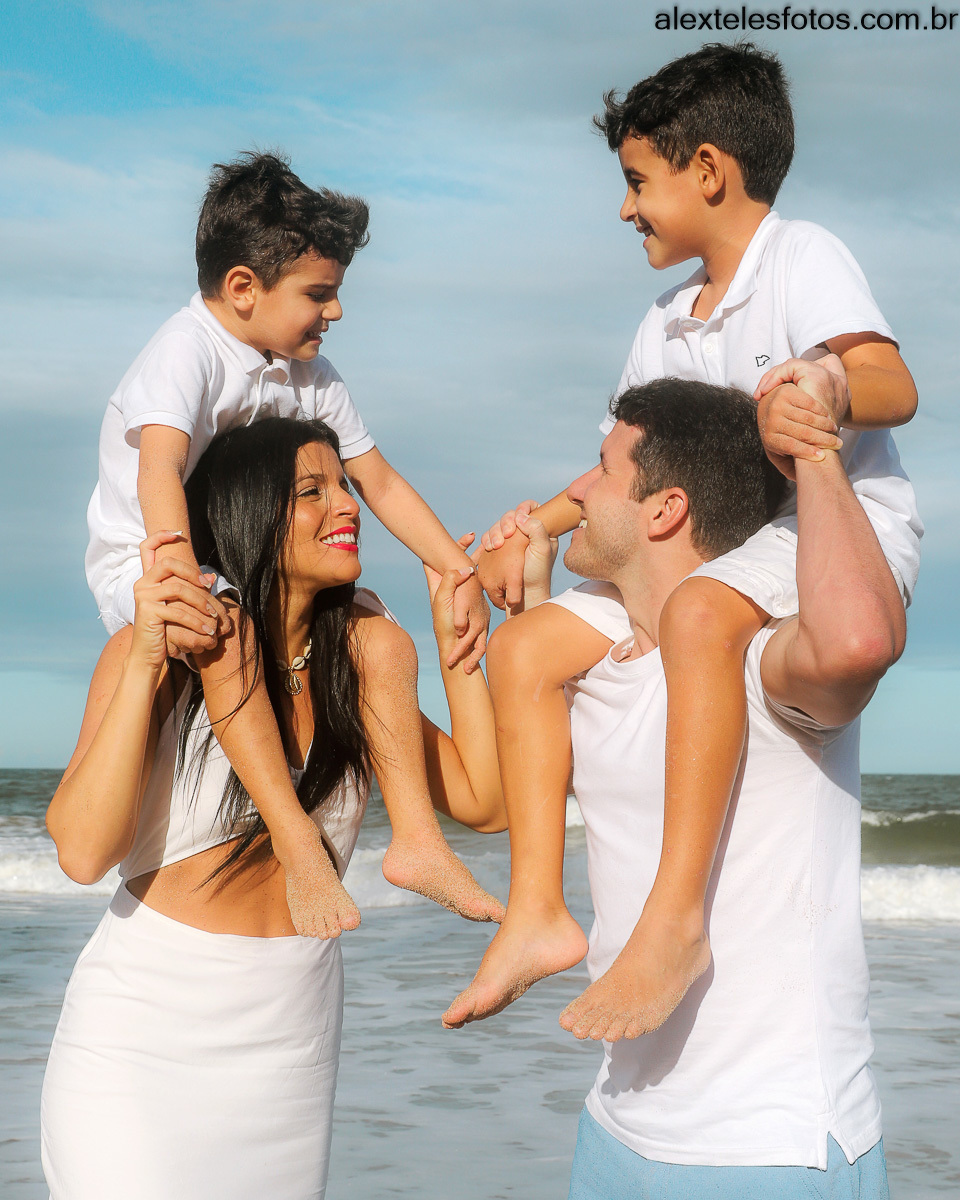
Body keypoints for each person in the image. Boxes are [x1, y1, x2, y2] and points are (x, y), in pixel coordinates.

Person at [450, 41, 921, 1030]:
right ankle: (537, 911)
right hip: (710, 545)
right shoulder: (663, 321)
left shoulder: (799, 257)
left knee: (700, 616)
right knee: (527, 650)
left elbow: (894, 382)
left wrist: (827, 384)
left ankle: (675, 921)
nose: (626, 209)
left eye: (637, 182)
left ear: (708, 170)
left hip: (821, 534)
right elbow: (621, 473)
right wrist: (531, 526)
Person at [42, 418, 506, 1200]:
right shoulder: (166, 656)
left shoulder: (362, 664)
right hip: (143, 1032)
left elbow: (484, 804)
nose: (347, 506)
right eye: (311, 491)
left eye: (345, 487)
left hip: (292, 1034)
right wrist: (144, 661)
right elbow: (83, 854)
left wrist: (456, 646)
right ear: (248, 511)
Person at [497, 377, 902, 1197]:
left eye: (602, 469)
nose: (576, 491)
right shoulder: (605, 669)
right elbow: (491, 800)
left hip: (766, 1150)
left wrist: (814, 449)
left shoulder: (759, 663)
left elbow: (859, 642)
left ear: (664, 510)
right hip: (616, 1127)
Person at [85, 151, 490, 939]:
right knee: (227, 626)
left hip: (240, 562)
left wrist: (456, 567)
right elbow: (159, 465)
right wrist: (178, 567)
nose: (334, 311)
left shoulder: (314, 374)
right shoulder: (186, 350)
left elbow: (380, 481)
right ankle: (295, 837)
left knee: (377, 633)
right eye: (317, 293)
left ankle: (418, 840)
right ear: (243, 287)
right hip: (152, 558)